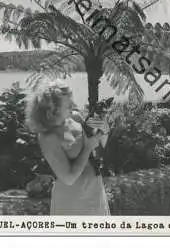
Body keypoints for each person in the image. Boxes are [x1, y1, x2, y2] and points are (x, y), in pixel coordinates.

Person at [25, 79, 110, 215]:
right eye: (68, 104)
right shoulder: (47, 137)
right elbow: (68, 178)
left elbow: (99, 147)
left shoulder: (76, 118)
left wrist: (104, 131)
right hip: (73, 201)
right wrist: (87, 148)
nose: (73, 105)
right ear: (53, 110)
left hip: (95, 191)